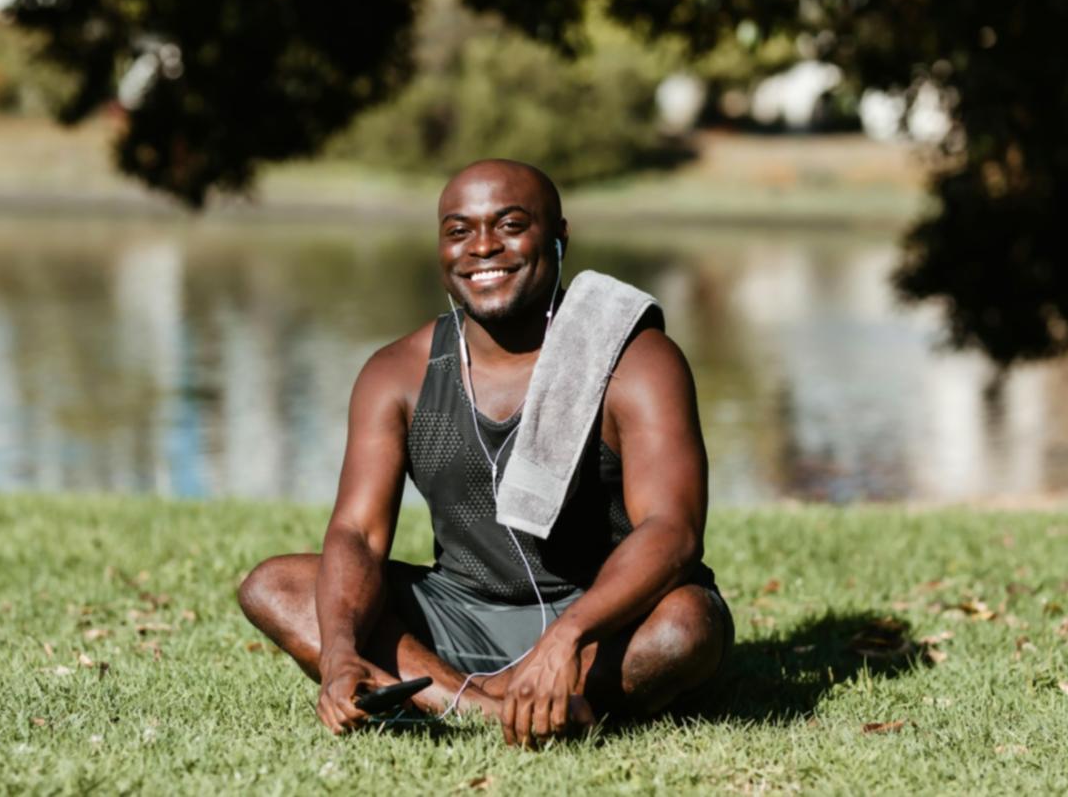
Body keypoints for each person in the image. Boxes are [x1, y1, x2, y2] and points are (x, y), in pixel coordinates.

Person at [238, 159, 731, 747]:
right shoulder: (395, 373)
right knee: (277, 587)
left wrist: (565, 638)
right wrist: (340, 651)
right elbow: (358, 534)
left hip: (603, 616)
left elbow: (672, 530)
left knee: (685, 626)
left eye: (510, 225)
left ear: (559, 236)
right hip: (461, 614)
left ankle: (450, 695)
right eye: (458, 231)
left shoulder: (637, 360)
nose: (482, 247)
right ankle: (490, 709)